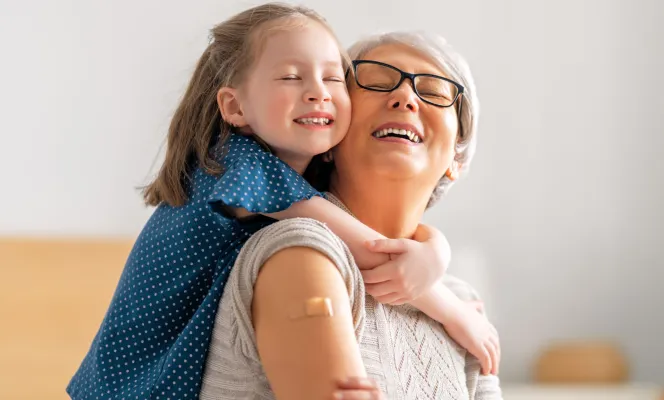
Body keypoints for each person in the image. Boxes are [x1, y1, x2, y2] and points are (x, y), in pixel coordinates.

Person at [67, 4, 496, 399]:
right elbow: (368, 248)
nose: (318, 93)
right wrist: (450, 307)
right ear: (235, 106)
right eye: (291, 77)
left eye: (332, 79)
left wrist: (435, 254)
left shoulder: (284, 190)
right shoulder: (241, 171)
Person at [200, 30, 502, 399]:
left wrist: (438, 262)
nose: (405, 97)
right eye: (376, 82)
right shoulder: (299, 250)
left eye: (435, 92)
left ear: (457, 157)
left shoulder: (462, 302)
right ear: (329, 135)